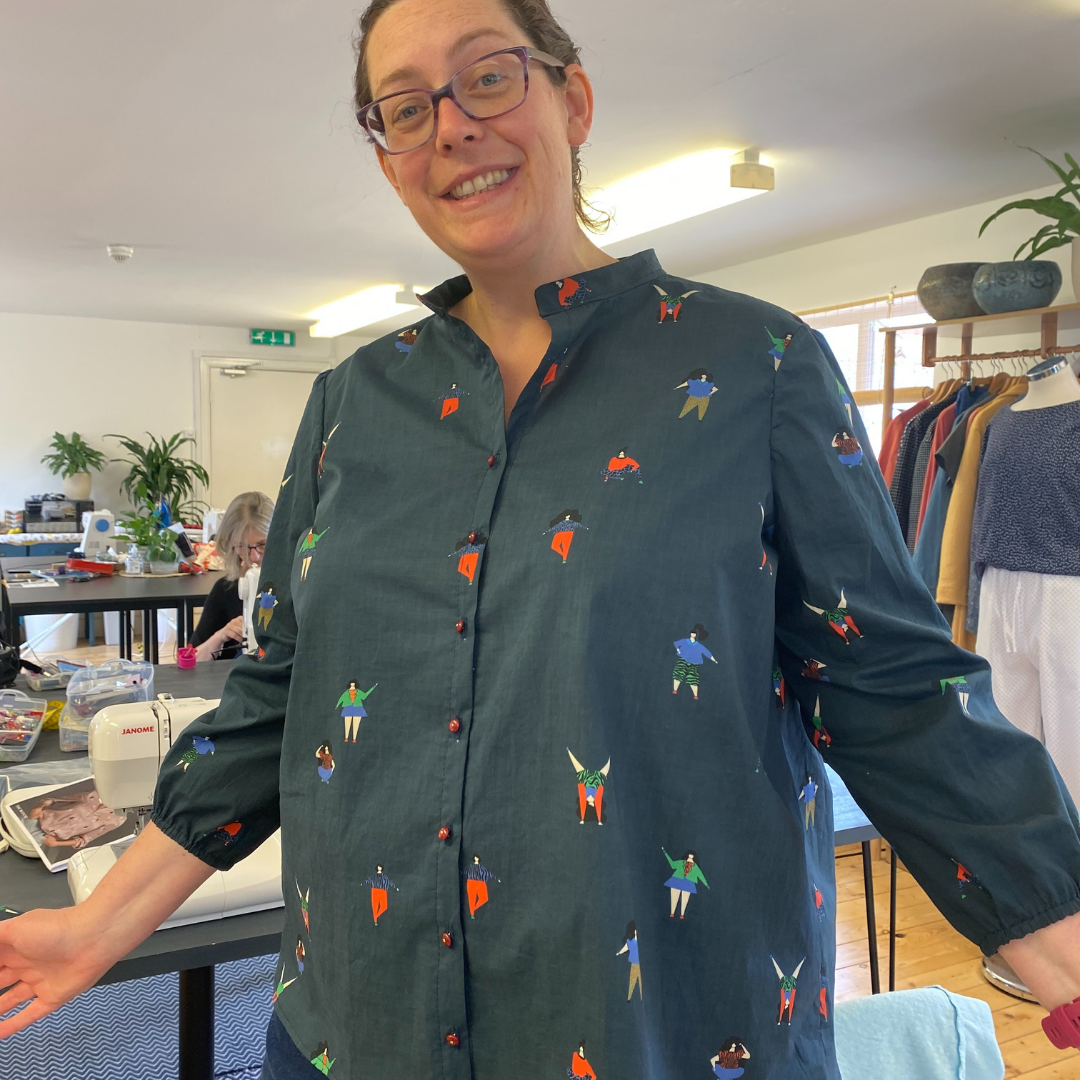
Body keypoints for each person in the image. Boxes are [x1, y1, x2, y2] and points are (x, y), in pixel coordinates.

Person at [3, 3, 1080, 1079]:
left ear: (574, 99)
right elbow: (280, 696)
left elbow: (888, 682)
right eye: (405, 108)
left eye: (488, 76)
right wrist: (99, 928)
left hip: (658, 1028)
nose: (451, 127)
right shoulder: (351, 404)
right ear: (387, 160)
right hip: (359, 1023)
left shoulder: (759, 364)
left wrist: (1062, 942)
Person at [189, 491, 274, 662]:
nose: (254, 556)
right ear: (230, 544)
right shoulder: (225, 590)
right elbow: (190, 659)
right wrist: (220, 636)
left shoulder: (296, 587)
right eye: (242, 546)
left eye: (262, 544)